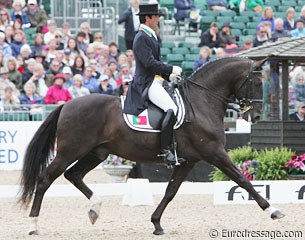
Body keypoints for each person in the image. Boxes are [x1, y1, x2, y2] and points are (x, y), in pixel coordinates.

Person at [123, 3, 185, 165]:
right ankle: (165, 151)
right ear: (148, 18)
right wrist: (171, 68)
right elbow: (150, 64)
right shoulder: (141, 37)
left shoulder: (150, 36)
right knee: (172, 109)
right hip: (145, 83)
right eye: (156, 16)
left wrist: (169, 75)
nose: (158, 19)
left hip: (154, 80)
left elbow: (155, 63)